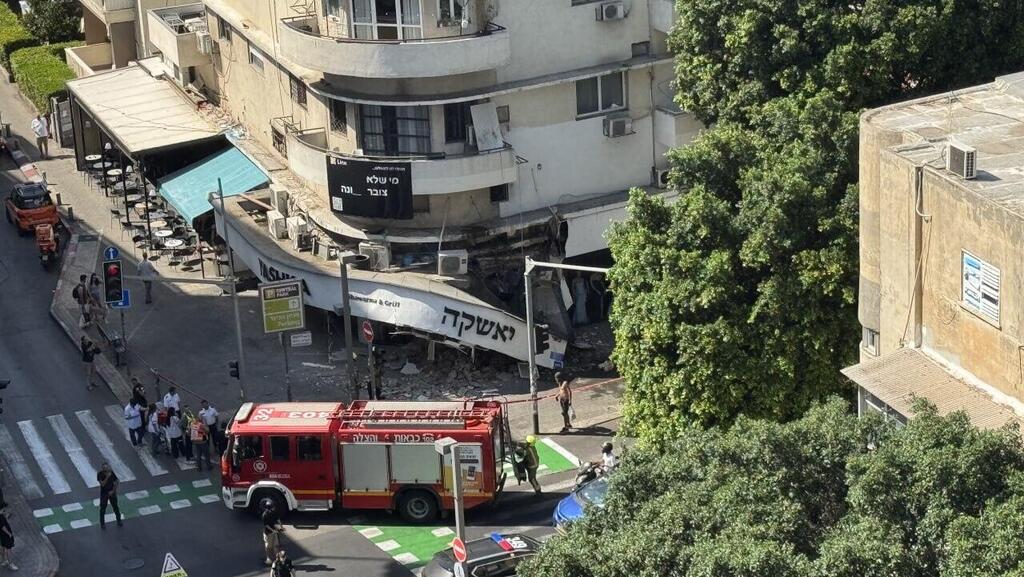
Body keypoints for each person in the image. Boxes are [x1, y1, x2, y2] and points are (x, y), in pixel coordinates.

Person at [97, 463, 123, 529]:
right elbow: (102, 484)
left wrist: (113, 491)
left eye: (106, 467)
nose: (106, 469)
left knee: (115, 507)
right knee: (103, 509)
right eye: (104, 468)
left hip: (112, 492)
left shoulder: (111, 473)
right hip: (104, 493)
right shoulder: (100, 474)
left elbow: (117, 481)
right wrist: (107, 477)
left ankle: (119, 520)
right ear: (102, 469)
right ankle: (102, 524)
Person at [261, 500, 285, 566]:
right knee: (276, 546)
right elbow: (278, 520)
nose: (274, 508)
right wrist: (281, 527)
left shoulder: (264, 515)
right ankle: (278, 560)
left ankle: (269, 560)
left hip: (269, 533)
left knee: (268, 547)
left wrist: (274, 530)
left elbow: (266, 525)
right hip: (274, 531)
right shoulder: (273, 512)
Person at [0, 503, 16, 570]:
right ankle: (11, 564)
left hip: (2, 536)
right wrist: (9, 533)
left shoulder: (1, 515)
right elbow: (2, 527)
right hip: (5, 535)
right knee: (9, 549)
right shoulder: (0, 517)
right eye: (3, 509)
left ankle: (3, 561)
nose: (4, 510)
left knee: (3, 547)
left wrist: (7, 515)